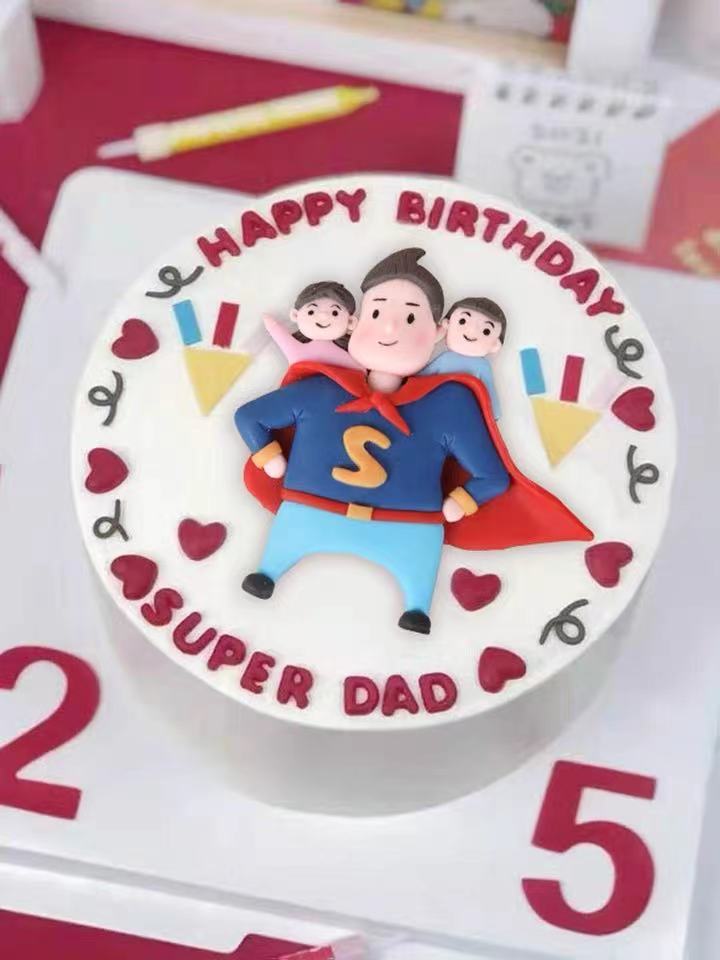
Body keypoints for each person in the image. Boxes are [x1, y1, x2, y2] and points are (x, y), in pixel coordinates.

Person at [235, 248, 591, 635]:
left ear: (438, 332)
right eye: (376, 314)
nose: (390, 329)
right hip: (310, 510)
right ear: (354, 322)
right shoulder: (322, 388)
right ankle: (269, 570)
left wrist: (462, 501)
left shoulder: (448, 403)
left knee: (416, 593)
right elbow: (250, 416)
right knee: (270, 567)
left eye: (409, 318)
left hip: (407, 527)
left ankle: (417, 605)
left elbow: (492, 476)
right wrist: (268, 455)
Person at [422, 297, 506, 418]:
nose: (472, 330)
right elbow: (423, 377)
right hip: (436, 406)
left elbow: (489, 388)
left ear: (495, 345)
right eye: (462, 321)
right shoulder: (446, 358)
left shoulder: (482, 366)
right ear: (447, 324)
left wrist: (493, 412)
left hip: (466, 412)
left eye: (486, 331)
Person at [263, 280, 361, 370]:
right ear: (295, 315)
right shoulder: (295, 349)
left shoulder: (295, 350)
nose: (323, 316)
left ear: (350, 322)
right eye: (311, 312)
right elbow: (275, 329)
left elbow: (274, 328)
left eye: (335, 313)